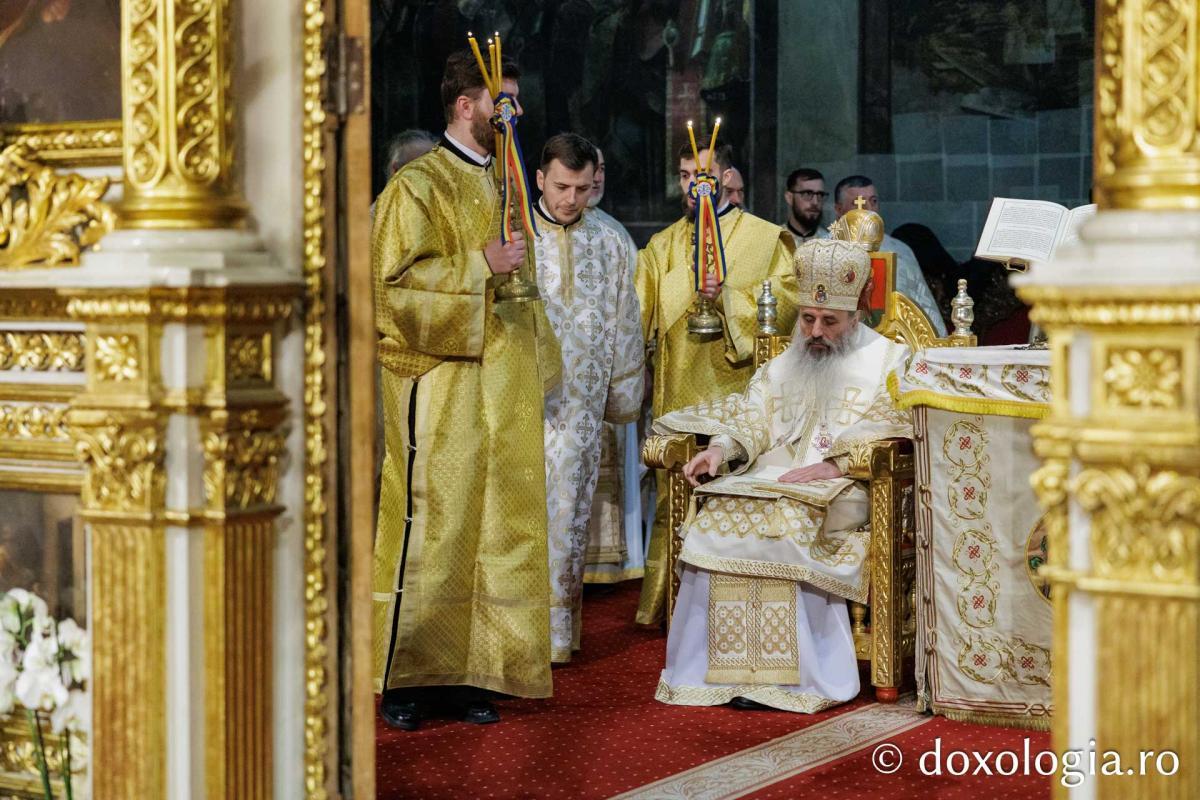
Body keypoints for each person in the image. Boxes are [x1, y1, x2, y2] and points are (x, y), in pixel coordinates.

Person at [371, 50, 560, 731]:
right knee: (436, 525)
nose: (515, 113)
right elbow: (389, 289)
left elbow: (523, 286)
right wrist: (479, 264)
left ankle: (471, 670)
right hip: (440, 384)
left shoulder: (505, 184)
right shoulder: (417, 186)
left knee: (494, 525)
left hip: (502, 386)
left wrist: (541, 365)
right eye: (502, 101)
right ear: (465, 106)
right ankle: (405, 677)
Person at [654, 239, 913, 712]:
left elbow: (894, 420)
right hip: (775, 478)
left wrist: (837, 463)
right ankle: (715, 674)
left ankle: (795, 680)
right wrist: (720, 449)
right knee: (715, 516)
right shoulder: (785, 362)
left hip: (851, 484)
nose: (814, 332)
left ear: (857, 311)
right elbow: (752, 413)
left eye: (830, 322)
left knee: (788, 523)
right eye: (807, 318)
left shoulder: (889, 361)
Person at [635, 142, 799, 625]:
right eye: (685, 175)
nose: (693, 185)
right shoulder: (663, 244)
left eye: (702, 175)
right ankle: (668, 604)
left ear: (727, 178)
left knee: (733, 489)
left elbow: (786, 305)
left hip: (737, 386)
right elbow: (639, 315)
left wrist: (727, 296)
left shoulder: (766, 238)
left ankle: (731, 606)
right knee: (674, 489)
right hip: (677, 385)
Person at [533, 133, 643, 661]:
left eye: (581, 188)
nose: (571, 199)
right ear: (540, 179)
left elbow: (626, 322)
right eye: (561, 187)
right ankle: (511, 637)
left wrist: (622, 397)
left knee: (568, 515)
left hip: (580, 410)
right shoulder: (514, 233)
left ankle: (556, 638)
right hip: (521, 406)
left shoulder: (611, 239)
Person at [583, 145, 648, 587]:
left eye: (603, 170)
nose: (597, 179)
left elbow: (633, 311)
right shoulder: (535, 231)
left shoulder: (614, 235)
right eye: (593, 170)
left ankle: (608, 564)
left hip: (608, 375)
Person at [831, 176, 947, 336]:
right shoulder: (823, 250)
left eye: (873, 201)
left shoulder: (900, 250)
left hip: (894, 342)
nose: (869, 209)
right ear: (838, 209)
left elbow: (923, 307)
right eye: (858, 203)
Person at [783, 168, 827, 245]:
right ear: (789, 198)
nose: (815, 202)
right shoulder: (775, 240)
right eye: (807, 193)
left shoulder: (830, 242)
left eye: (820, 195)